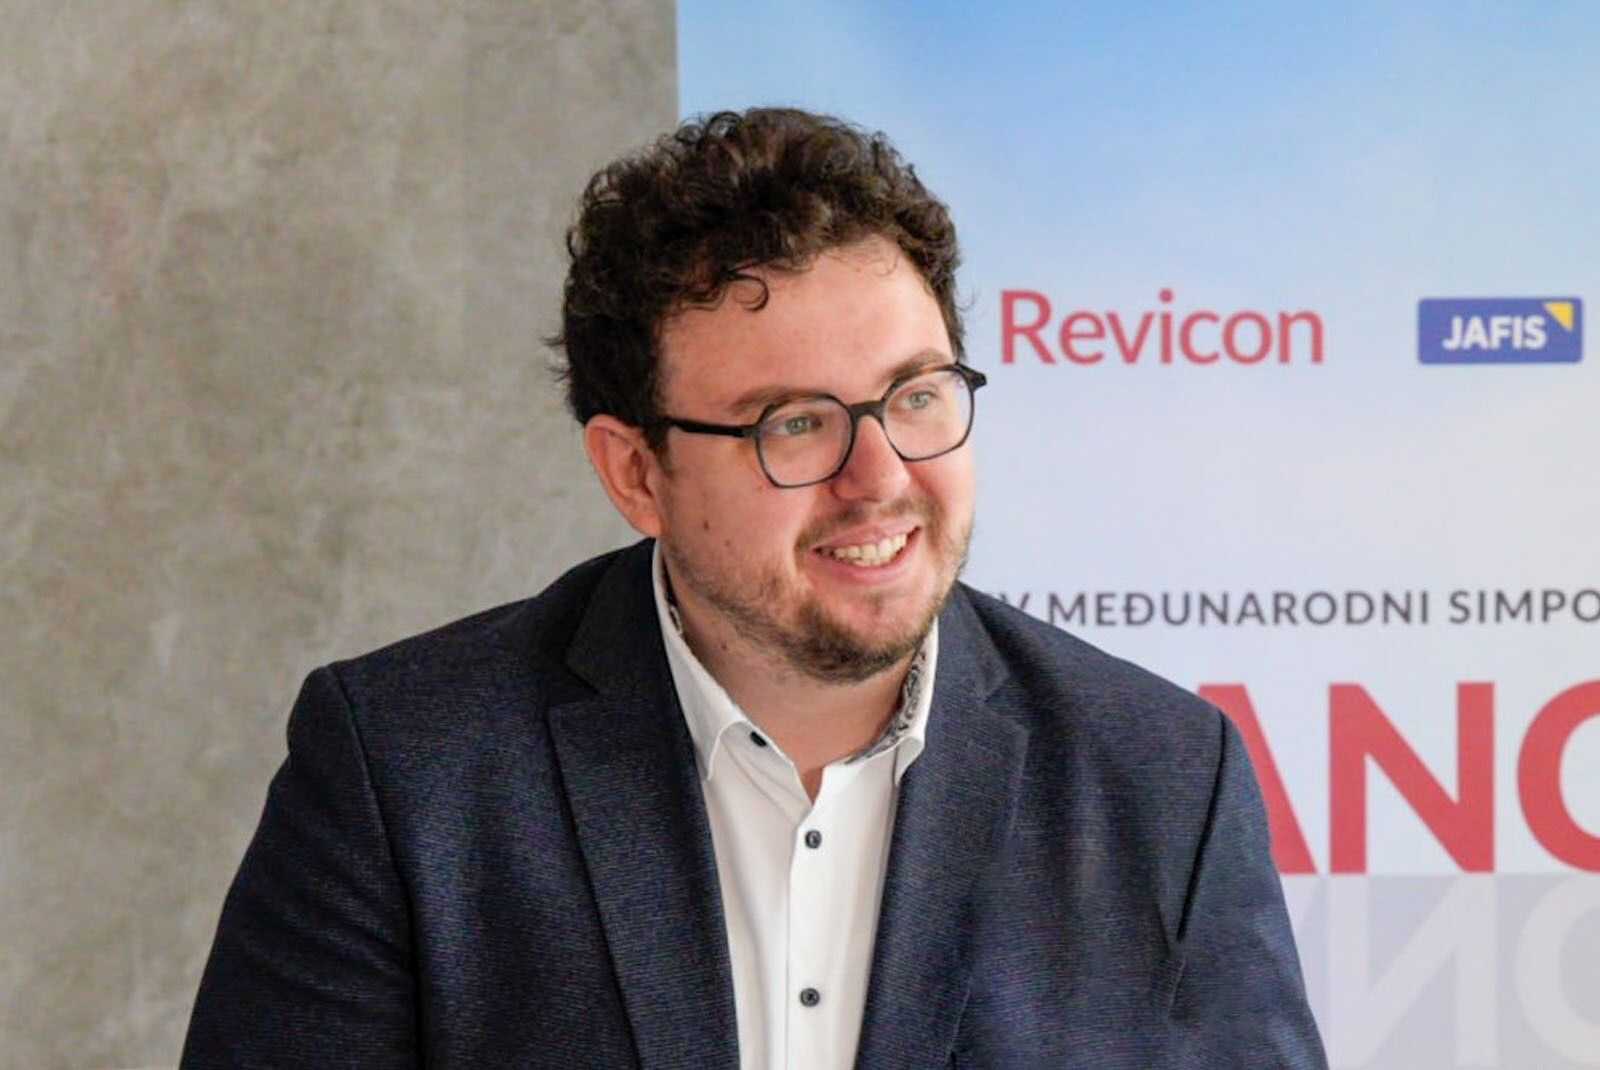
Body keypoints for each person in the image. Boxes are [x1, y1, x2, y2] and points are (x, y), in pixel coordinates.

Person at [182, 107, 1327, 1069]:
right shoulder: (408, 768)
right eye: (794, 423)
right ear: (637, 473)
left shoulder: (1160, 777)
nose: (879, 477)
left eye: (916, 395)